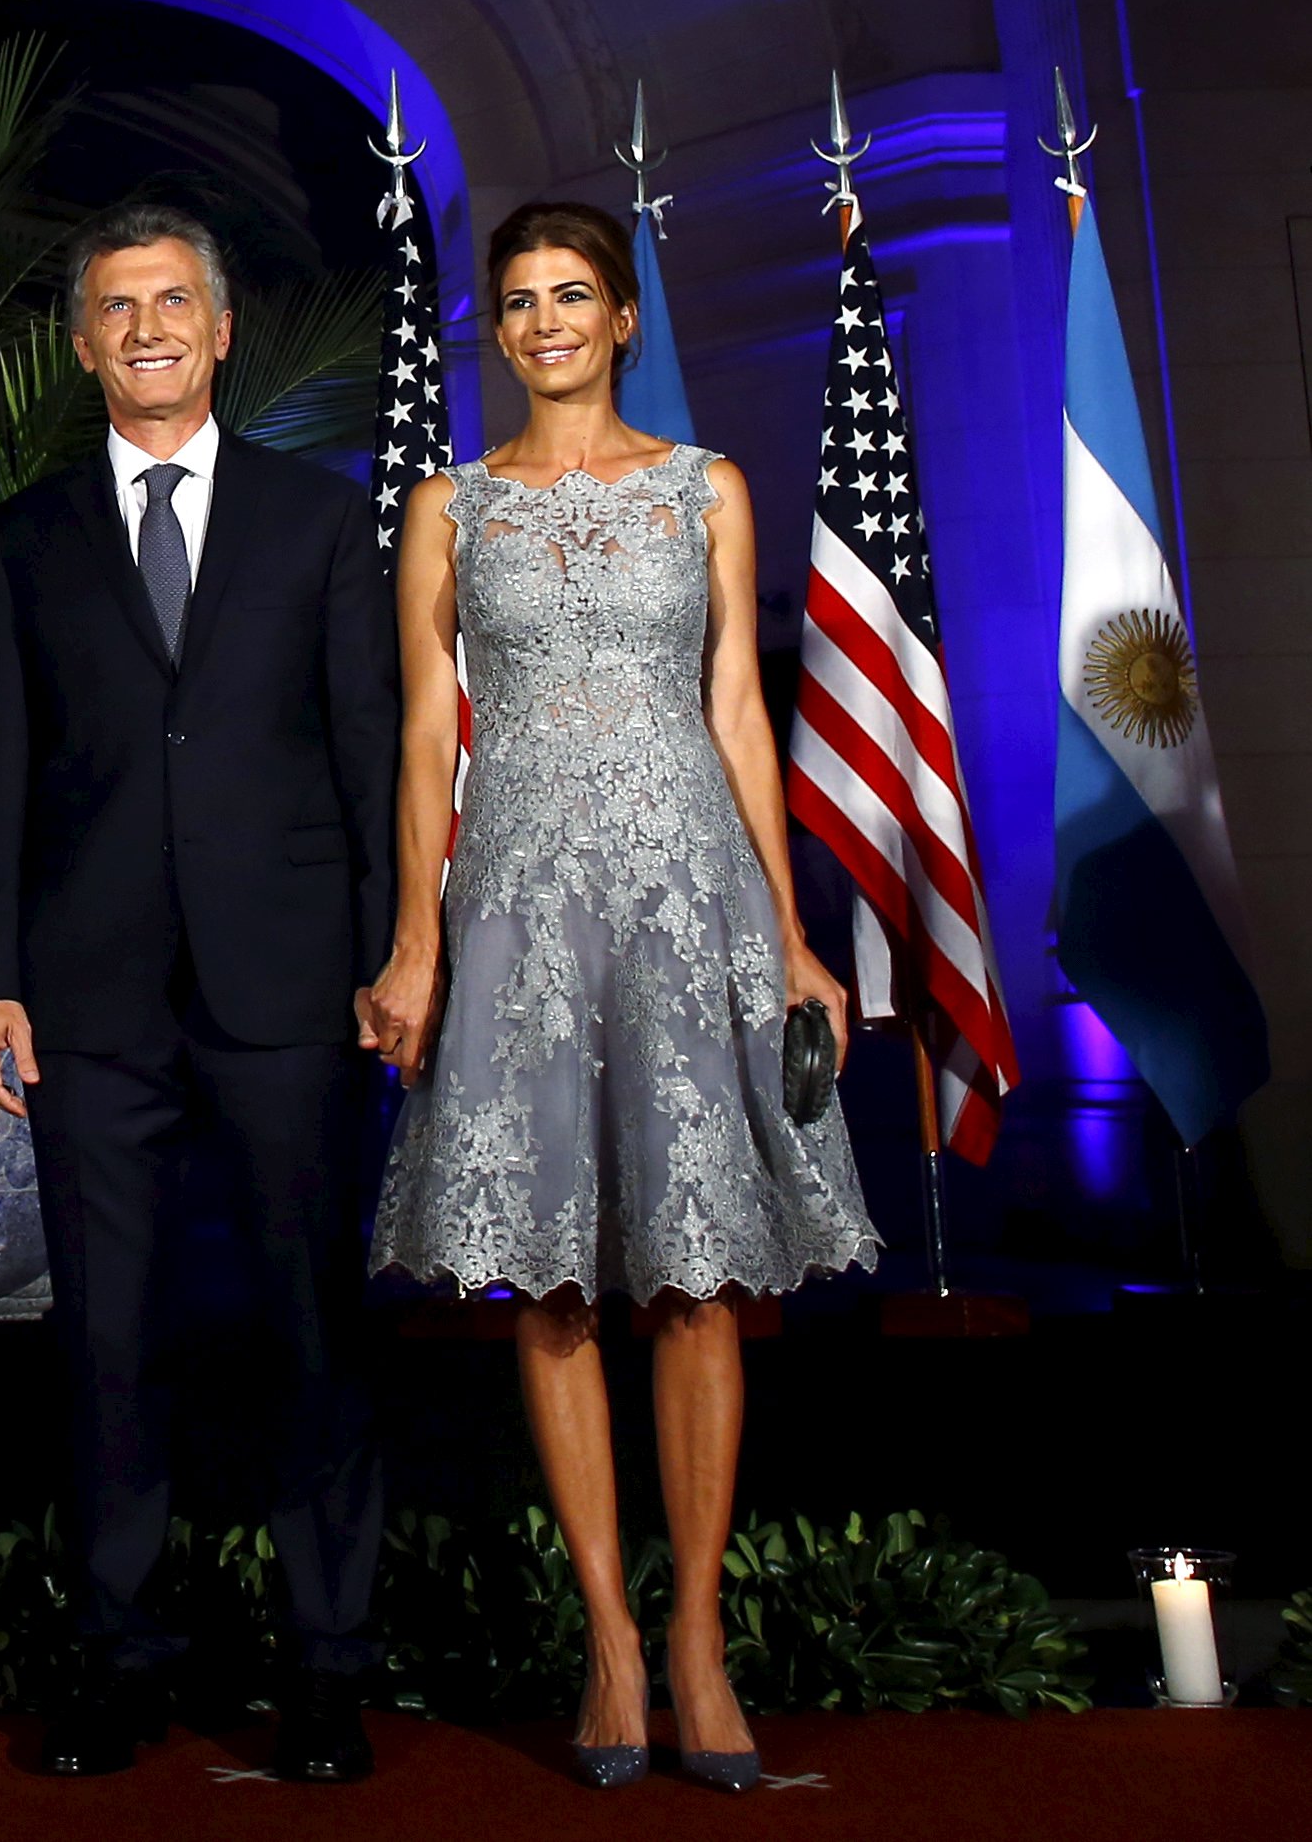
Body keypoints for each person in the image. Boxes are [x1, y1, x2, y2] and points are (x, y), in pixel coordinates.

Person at [364, 200, 880, 1793]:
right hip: (515, 900)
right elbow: (425, 739)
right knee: (554, 1279)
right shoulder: (448, 506)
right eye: (516, 302)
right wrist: (412, 944)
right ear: (494, 330)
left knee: (699, 1277)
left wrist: (791, 938)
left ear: (620, 316)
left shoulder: (700, 487)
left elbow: (739, 711)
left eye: (569, 294)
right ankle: (604, 1644)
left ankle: (701, 1647)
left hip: (686, 899)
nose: (544, 322)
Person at [0, 202, 398, 1784]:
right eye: (115, 308)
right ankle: (115, 1656)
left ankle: (327, 1664)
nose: (144, 328)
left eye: (171, 303)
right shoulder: (25, 537)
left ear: (219, 331)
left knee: (304, 1328)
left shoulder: (321, 519)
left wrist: (387, 953)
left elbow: (369, 754)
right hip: (87, 997)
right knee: (108, 1341)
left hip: (291, 987)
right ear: (82, 347)